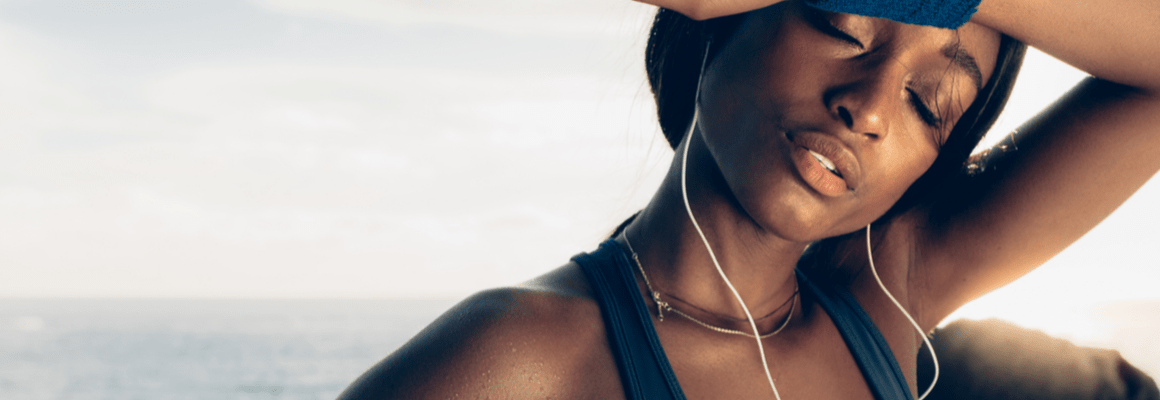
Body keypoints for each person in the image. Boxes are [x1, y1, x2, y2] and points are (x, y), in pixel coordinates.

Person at [339, 0, 1160, 398]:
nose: (870, 109)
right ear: (723, 23)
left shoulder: (888, 297)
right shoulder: (523, 357)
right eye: (843, 26)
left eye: (929, 102)